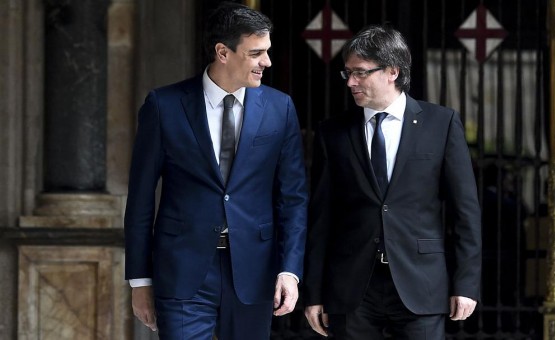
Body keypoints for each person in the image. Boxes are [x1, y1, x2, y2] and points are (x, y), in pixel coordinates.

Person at [124, 2, 308, 339]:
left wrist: (290, 270)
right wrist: (140, 280)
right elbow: (139, 199)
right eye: (256, 53)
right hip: (183, 270)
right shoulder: (163, 106)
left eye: (267, 51)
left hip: (255, 268)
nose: (266, 62)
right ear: (223, 52)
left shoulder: (280, 108)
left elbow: (293, 198)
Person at [302, 25, 481, 339]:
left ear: (392, 71)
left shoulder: (441, 124)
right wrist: (315, 292)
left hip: (421, 283)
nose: (351, 82)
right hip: (352, 287)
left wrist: (465, 284)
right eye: (347, 73)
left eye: (359, 73)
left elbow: (465, 212)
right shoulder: (333, 133)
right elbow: (321, 218)